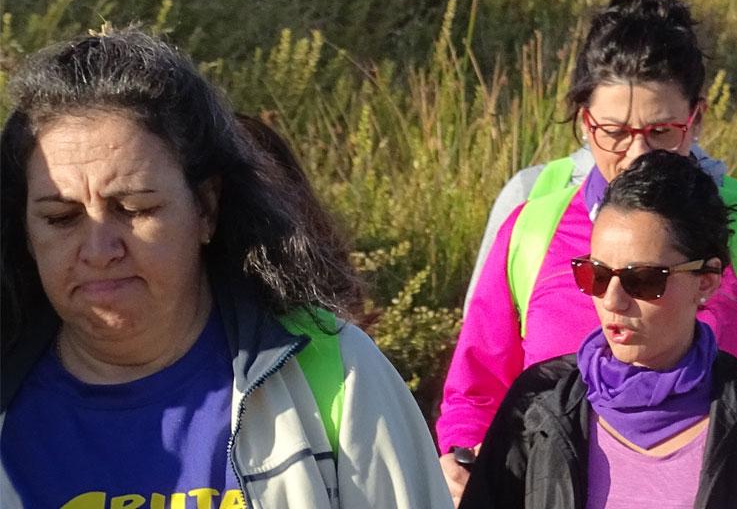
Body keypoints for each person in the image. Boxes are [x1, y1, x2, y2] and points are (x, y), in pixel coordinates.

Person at [0, 30, 450, 509]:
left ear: (206, 208)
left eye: (133, 208)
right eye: (60, 218)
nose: (98, 249)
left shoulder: (336, 373)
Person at [441, 0, 737, 496]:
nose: (637, 154)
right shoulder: (531, 229)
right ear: (584, 122)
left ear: (697, 120)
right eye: (613, 132)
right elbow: (477, 385)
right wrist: (464, 465)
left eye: (662, 131)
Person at [461, 152, 737, 509]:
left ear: (708, 281)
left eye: (643, 280)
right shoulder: (537, 402)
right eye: (596, 275)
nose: (612, 301)